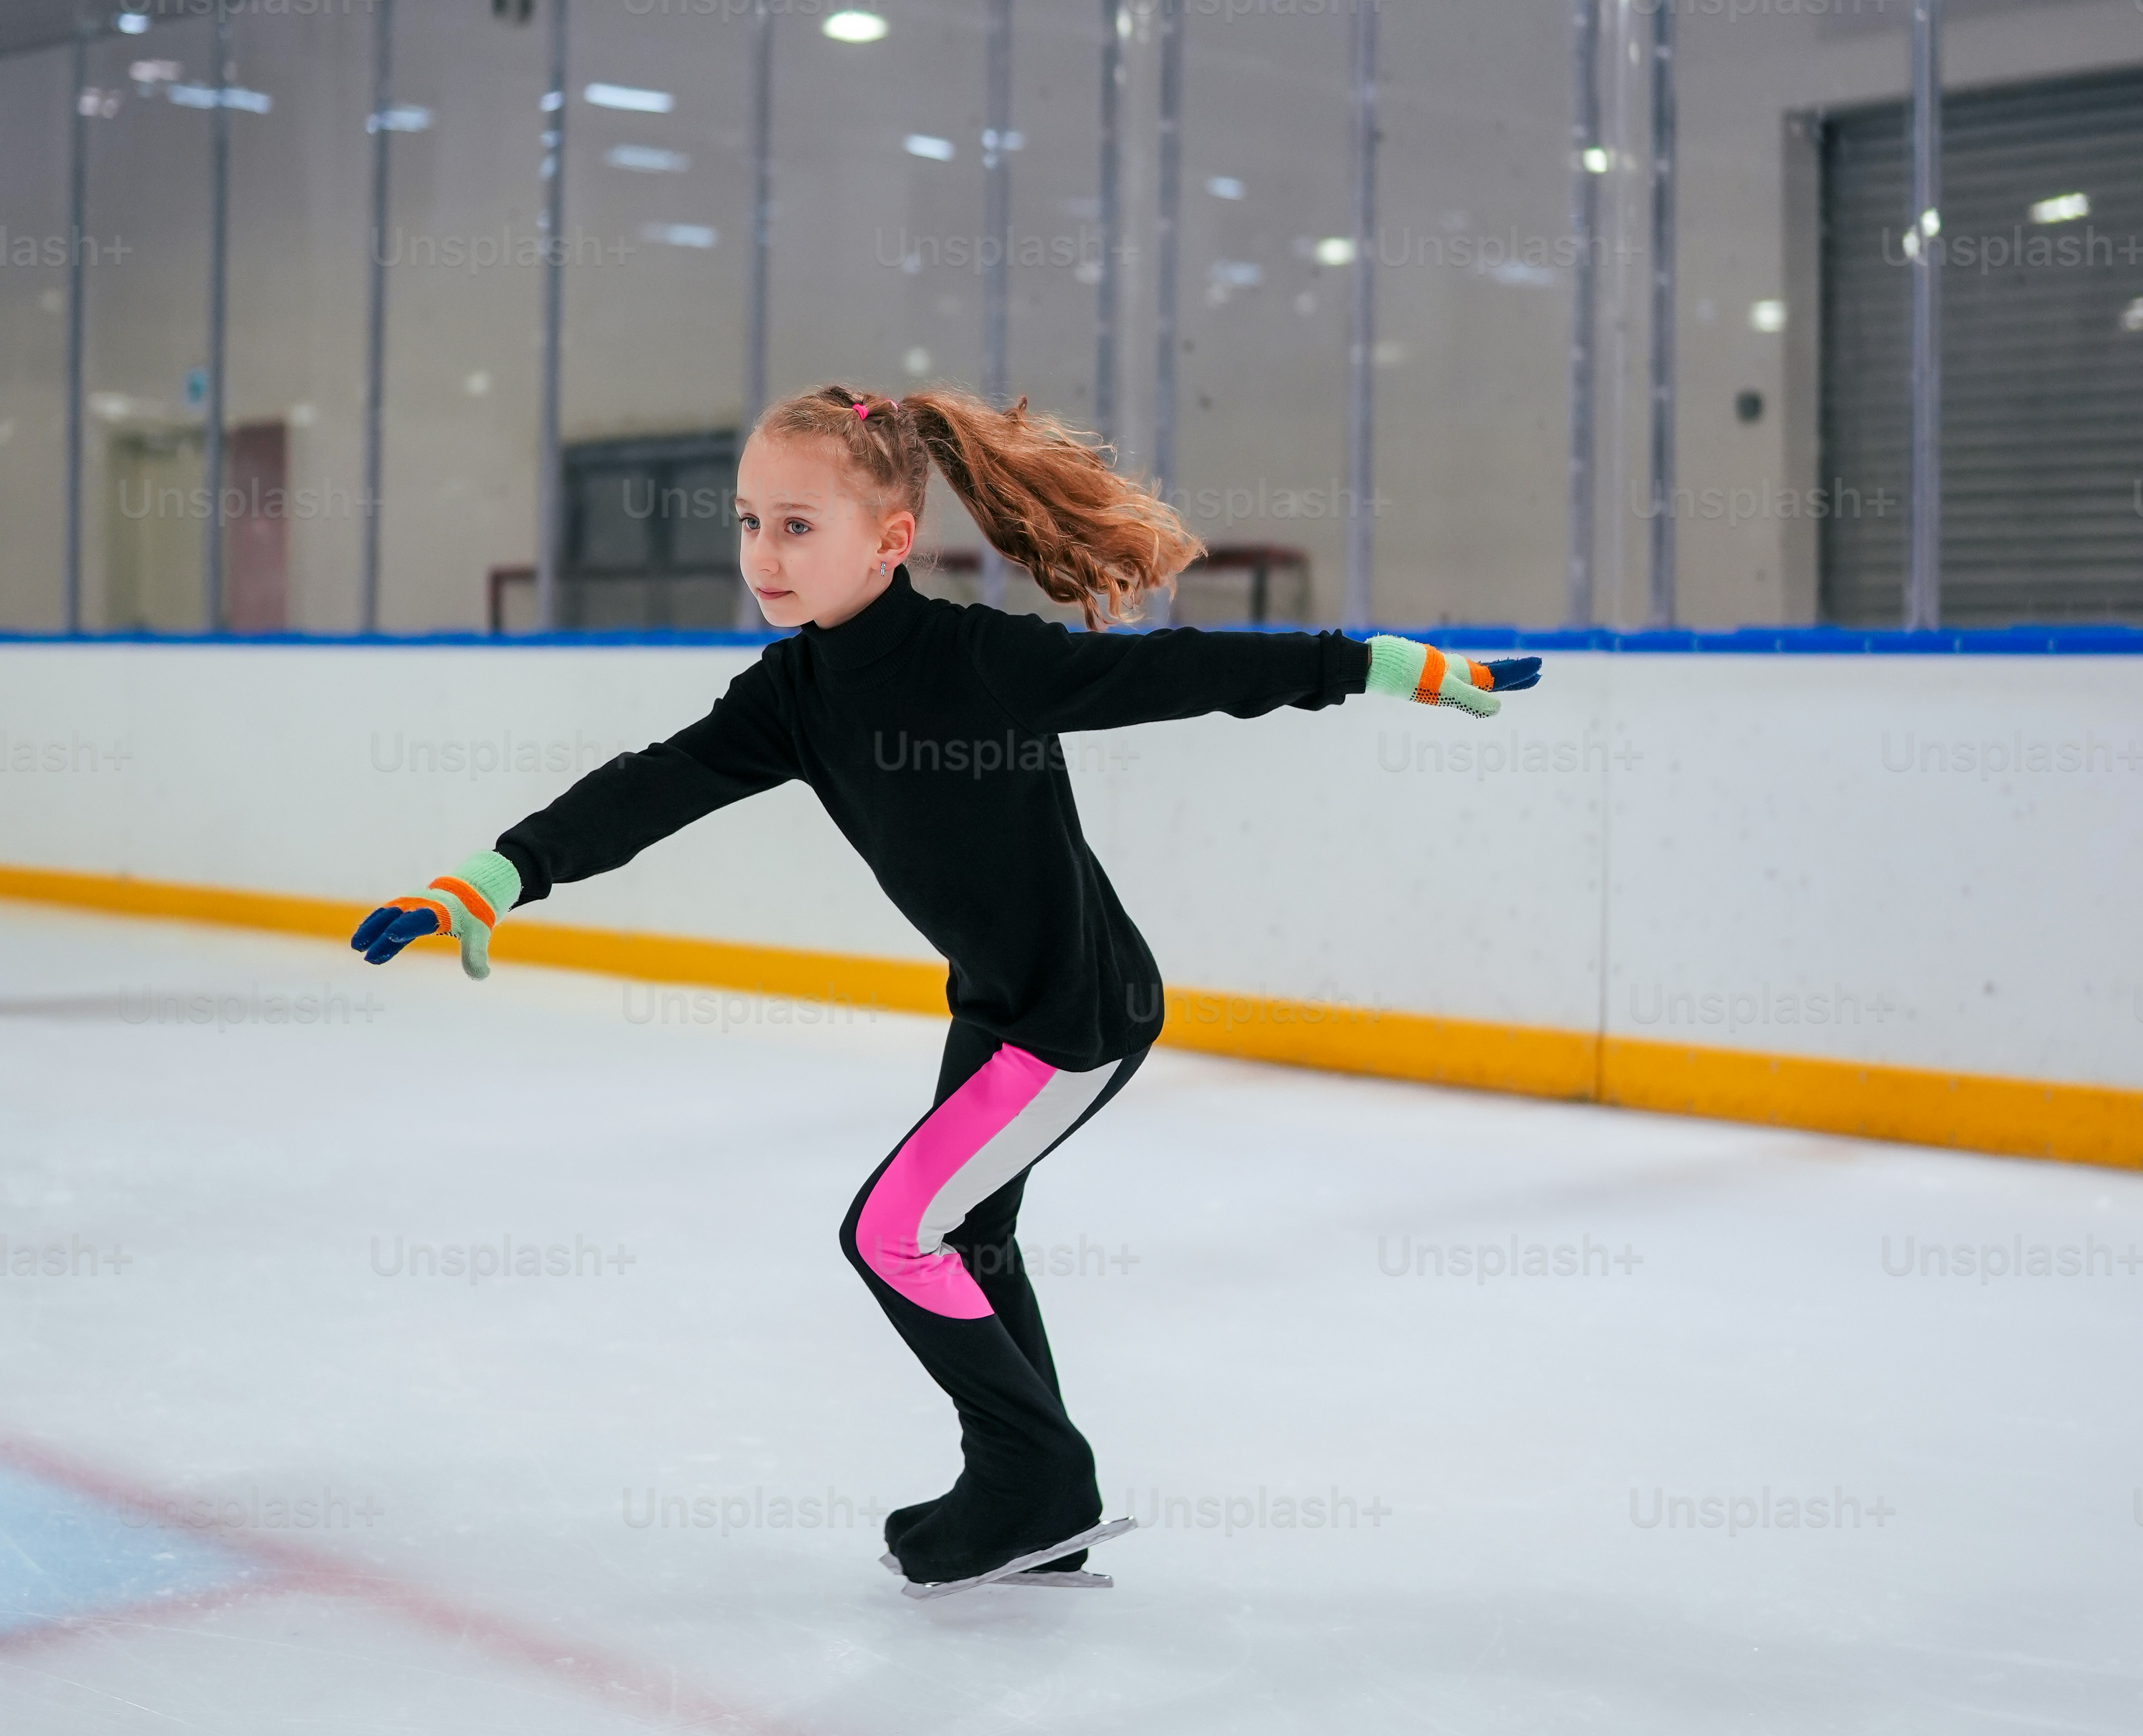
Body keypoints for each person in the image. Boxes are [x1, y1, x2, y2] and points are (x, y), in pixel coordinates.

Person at [351, 385, 1540, 1596]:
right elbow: (653, 785)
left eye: (799, 526)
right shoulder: (793, 695)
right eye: (751, 520)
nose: (764, 553)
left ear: (892, 541)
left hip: (1071, 1018)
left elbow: (1183, 672)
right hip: (999, 1008)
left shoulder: (980, 661)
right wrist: (496, 877)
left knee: (891, 1231)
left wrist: (1380, 665)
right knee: (965, 1237)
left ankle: (1035, 1481)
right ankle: (1033, 1502)